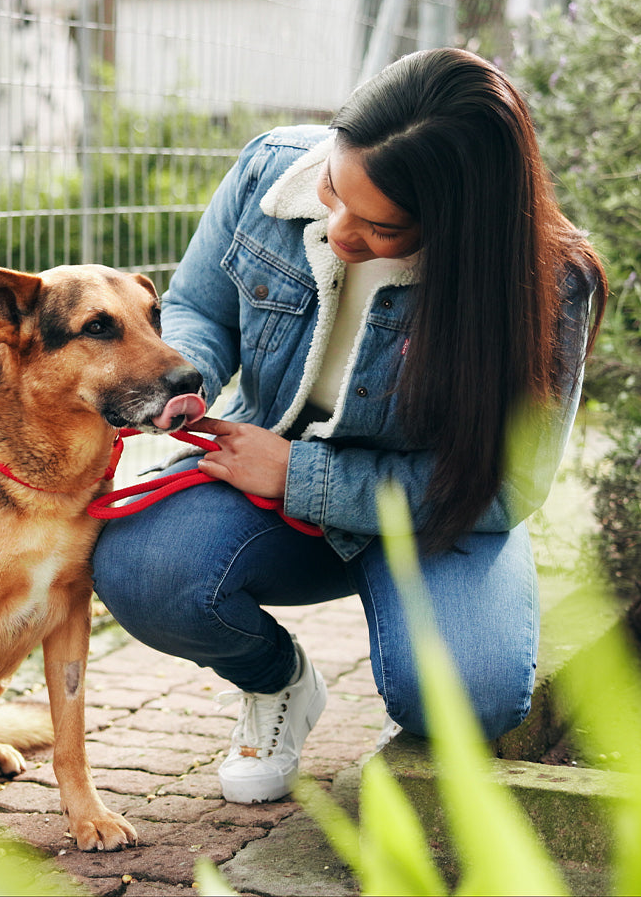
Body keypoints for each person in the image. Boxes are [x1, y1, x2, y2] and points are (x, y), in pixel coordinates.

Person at [90, 47, 607, 805]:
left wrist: (300, 476)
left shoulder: (548, 284)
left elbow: (504, 489)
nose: (337, 230)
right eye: (334, 188)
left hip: (436, 515)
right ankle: (279, 685)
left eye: (381, 227)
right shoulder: (271, 167)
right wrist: (185, 378)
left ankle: (432, 607)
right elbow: (199, 305)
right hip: (268, 479)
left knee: (467, 700)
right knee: (142, 568)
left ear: (462, 226)